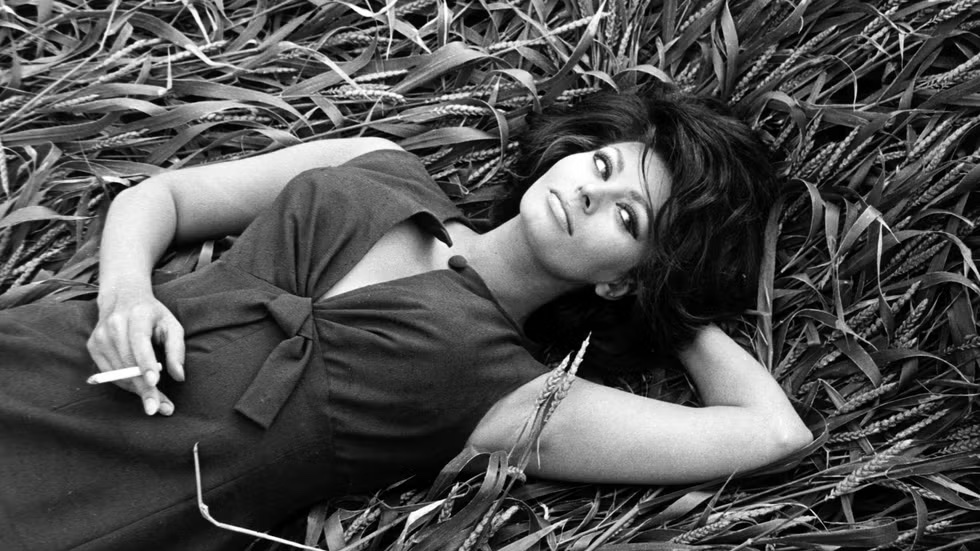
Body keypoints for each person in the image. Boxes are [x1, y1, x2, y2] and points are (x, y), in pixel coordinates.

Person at [0, 88, 812, 551]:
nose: (592, 191)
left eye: (627, 218)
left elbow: (774, 432)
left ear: (622, 279)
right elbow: (166, 196)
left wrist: (669, 306)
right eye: (602, 164)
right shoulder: (375, 161)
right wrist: (126, 294)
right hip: (45, 358)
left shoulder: (513, 397)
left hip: (89, 506)